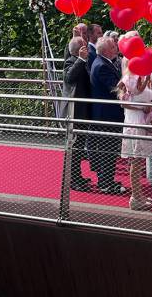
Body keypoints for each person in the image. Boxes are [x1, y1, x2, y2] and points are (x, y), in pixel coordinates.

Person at [117, 68, 152, 211]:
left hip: (139, 123)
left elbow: (141, 99)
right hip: (134, 125)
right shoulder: (128, 80)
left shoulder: (139, 80)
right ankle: (135, 198)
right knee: (136, 162)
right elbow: (124, 103)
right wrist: (142, 108)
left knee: (138, 162)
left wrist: (148, 107)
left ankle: (138, 195)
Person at [88, 36, 126, 194]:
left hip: (107, 114)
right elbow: (114, 88)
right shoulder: (101, 65)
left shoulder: (103, 62)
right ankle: (105, 183)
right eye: (113, 46)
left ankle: (107, 180)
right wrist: (127, 81)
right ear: (105, 50)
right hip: (106, 115)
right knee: (107, 150)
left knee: (109, 150)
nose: (116, 48)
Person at [63, 37, 93, 192]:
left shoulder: (85, 61)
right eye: (83, 48)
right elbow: (69, 78)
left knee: (80, 147)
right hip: (75, 112)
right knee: (75, 147)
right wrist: (80, 59)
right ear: (77, 50)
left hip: (83, 110)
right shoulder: (71, 61)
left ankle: (77, 175)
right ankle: (73, 179)